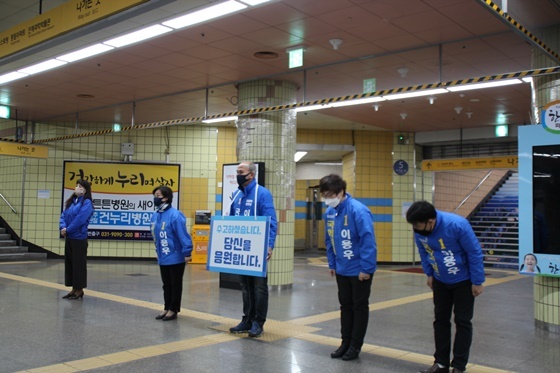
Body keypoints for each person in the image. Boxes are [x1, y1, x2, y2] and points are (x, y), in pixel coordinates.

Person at [406, 201, 485, 373]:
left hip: (463, 281)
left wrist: (477, 281)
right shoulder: (420, 230)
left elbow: (474, 252)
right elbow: (424, 252)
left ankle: (458, 366)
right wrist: (429, 274)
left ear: (431, 221)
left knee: (462, 322)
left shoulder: (457, 225)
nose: (417, 230)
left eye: (420, 226)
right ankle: (441, 363)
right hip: (440, 280)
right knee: (440, 321)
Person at [319, 174, 377, 361]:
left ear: (341, 192)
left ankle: (355, 345)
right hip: (342, 268)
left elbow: (368, 241)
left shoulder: (358, 211)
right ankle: (345, 342)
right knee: (345, 306)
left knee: (359, 307)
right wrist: (332, 263)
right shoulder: (329, 212)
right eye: (324, 195)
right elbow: (329, 240)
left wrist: (366, 269)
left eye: (330, 194)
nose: (327, 198)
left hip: (359, 269)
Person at [228, 161, 277, 338]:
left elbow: (271, 221)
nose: (237, 175)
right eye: (236, 172)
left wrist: (269, 245)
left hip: (257, 248)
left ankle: (258, 322)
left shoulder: (262, 194)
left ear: (251, 175)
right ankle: (246, 320)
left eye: (241, 172)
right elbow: (231, 221)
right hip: (242, 248)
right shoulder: (236, 195)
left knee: (259, 287)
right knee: (245, 286)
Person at [151, 186, 193, 321]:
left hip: (176, 256)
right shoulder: (156, 215)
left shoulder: (175, 215)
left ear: (166, 198)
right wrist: (158, 251)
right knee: (166, 284)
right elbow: (156, 235)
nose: (155, 198)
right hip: (163, 255)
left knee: (175, 284)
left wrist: (187, 251)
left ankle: (173, 309)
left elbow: (183, 235)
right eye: (155, 195)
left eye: (158, 196)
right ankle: (166, 307)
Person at [60, 179, 94, 300]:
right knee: (70, 264)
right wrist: (63, 227)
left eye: (80, 186)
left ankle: (79, 290)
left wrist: (68, 230)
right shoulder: (72, 201)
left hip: (79, 238)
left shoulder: (87, 203)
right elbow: (64, 215)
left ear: (85, 190)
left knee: (78, 264)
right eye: (77, 185)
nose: (77, 188)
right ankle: (73, 289)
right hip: (70, 237)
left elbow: (80, 219)